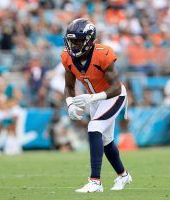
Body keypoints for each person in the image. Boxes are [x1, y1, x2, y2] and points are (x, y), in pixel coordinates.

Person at [62, 18, 132, 193]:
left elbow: (116, 87)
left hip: (113, 96)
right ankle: (123, 176)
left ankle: (95, 181)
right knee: (106, 141)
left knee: (94, 127)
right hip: (94, 99)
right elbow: (69, 86)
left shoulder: (103, 53)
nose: (74, 45)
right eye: (71, 41)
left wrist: (92, 98)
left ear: (89, 41)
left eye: (78, 41)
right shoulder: (67, 58)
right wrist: (70, 103)